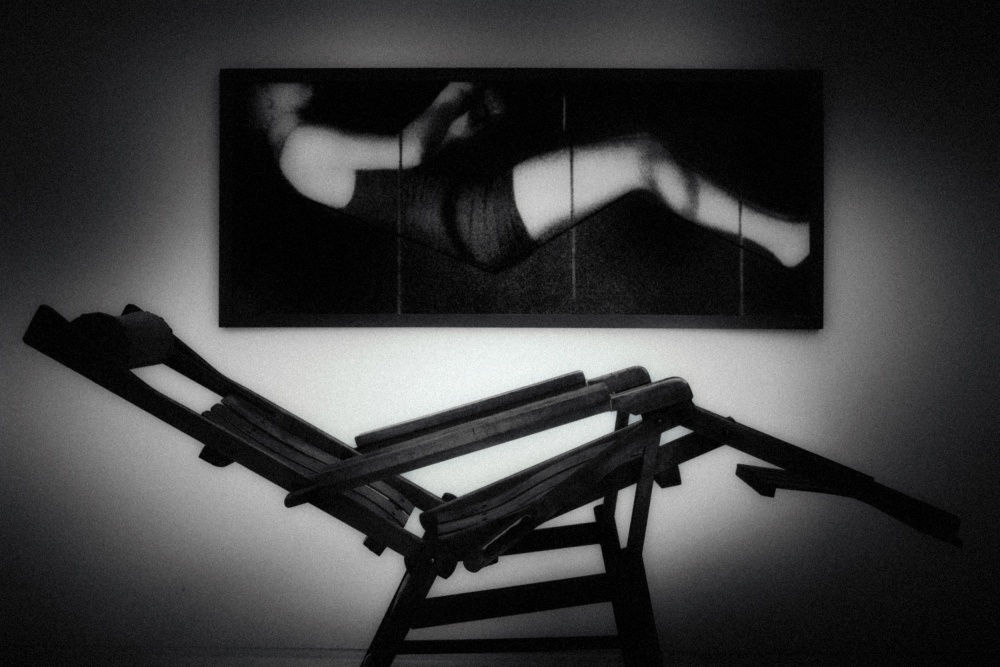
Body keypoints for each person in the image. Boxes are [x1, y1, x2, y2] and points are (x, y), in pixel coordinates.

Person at [254, 81, 811, 273]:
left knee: (639, 154)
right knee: (640, 156)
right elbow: (411, 150)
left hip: (473, 217)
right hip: (477, 216)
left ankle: (781, 234)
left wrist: (463, 122)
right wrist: (452, 89)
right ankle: (784, 238)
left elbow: (417, 156)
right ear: (261, 98)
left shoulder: (298, 152)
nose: (299, 71)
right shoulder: (300, 145)